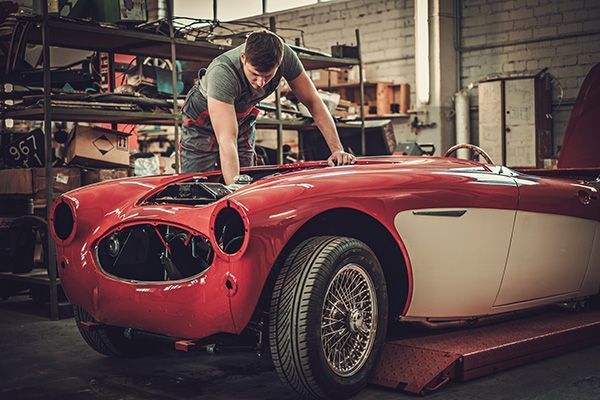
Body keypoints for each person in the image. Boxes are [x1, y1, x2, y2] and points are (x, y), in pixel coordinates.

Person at [180, 29, 355, 185]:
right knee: (198, 187)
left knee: (247, 177)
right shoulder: (222, 73)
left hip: (242, 118)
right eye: (254, 74)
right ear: (243, 58)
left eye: (268, 76)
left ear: (279, 64)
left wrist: (337, 150)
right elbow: (227, 140)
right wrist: (235, 192)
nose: (261, 83)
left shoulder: (286, 56)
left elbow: (313, 102)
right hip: (202, 121)